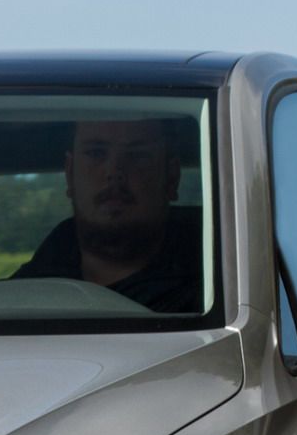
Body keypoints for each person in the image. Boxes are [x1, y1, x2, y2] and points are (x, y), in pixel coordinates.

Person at [12, 115, 203, 313]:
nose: (114, 171)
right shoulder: (16, 299)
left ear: (172, 178)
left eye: (137, 155)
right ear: (70, 175)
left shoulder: (219, 291)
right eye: (96, 153)